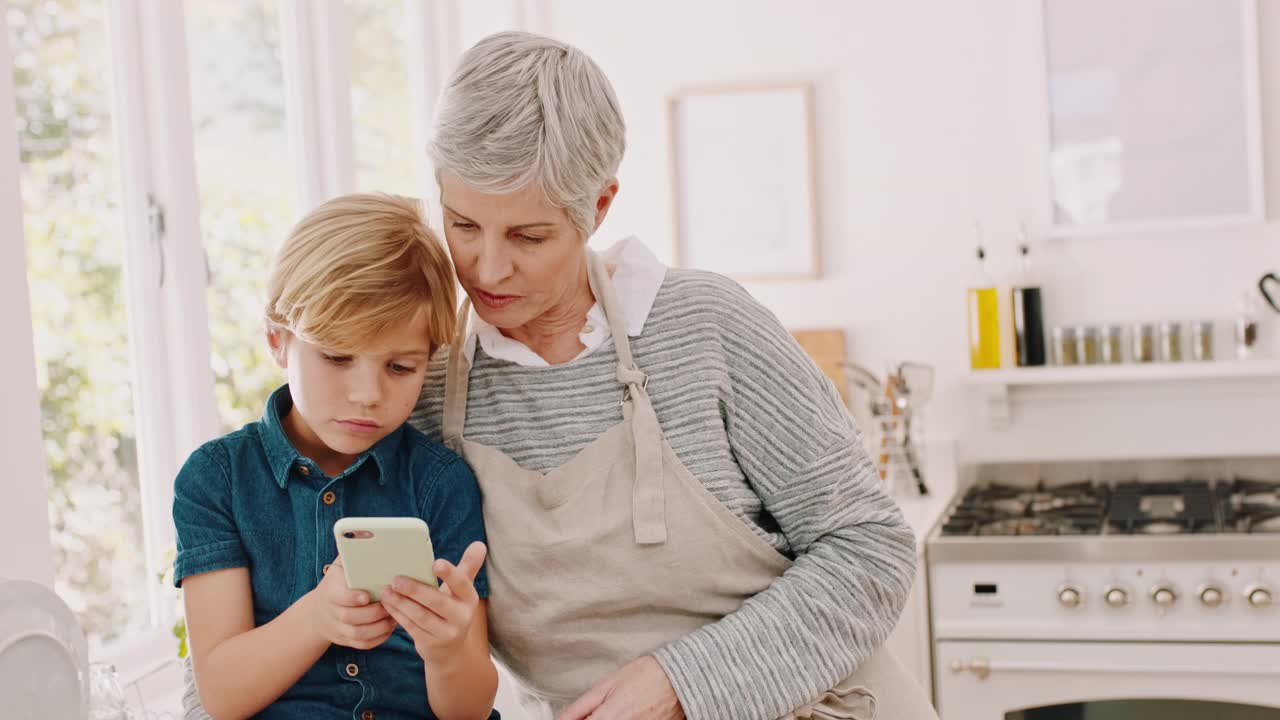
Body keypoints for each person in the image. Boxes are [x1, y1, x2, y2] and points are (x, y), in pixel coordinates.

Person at [411, 31, 939, 720]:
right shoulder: (423, 387)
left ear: (598, 207)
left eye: (529, 237)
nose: (486, 268)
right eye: (463, 224)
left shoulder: (705, 326)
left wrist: (682, 685)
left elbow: (871, 547)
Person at [173, 193, 498, 720]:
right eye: (338, 357)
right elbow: (222, 695)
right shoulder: (217, 481)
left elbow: (468, 708)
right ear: (278, 342)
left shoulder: (440, 482)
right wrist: (318, 618)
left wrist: (446, 653)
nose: (367, 394)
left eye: (400, 367)